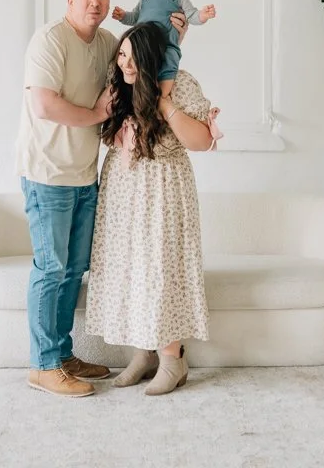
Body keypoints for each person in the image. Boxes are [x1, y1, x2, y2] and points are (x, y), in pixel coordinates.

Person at [16, 0, 189, 399]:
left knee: (74, 269)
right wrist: (97, 116)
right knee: (51, 268)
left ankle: (62, 355)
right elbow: (43, 105)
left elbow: (142, 58)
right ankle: (43, 365)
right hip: (48, 174)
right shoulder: (51, 40)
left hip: (85, 174)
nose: (95, 3)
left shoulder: (109, 43)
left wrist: (177, 38)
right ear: (70, 0)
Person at [84, 21, 221, 396]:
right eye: (122, 55)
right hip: (124, 191)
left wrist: (164, 102)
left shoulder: (178, 83)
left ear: (151, 58)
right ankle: (142, 353)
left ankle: (172, 358)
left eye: (133, 57)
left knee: (162, 269)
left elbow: (201, 140)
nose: (126, 64)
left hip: (163, 188)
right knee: (130, 269)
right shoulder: (119, 86)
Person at [111, 0, 216, 100]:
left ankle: (161, 96)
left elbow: (192, 15)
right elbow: (134, 17)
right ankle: (138, 95)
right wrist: (123, 16)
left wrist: (203, 15)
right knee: (138, 65)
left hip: (166, 45)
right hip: (144, 47)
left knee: (169, 61)